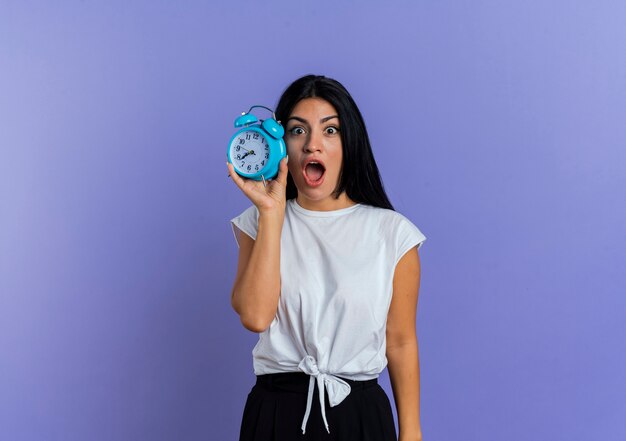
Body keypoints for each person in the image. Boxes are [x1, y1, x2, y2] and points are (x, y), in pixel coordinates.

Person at [226, 74, 426, 441]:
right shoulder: (257, 222)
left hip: (359, 416)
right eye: (298, 131)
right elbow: (255, 316)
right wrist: (271, 213)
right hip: (276, 413)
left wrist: (411, 433)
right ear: (281, 144)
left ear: (350, 142)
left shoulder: (392, 233)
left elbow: (400, 341)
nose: (313, 145)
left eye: (330, 131)